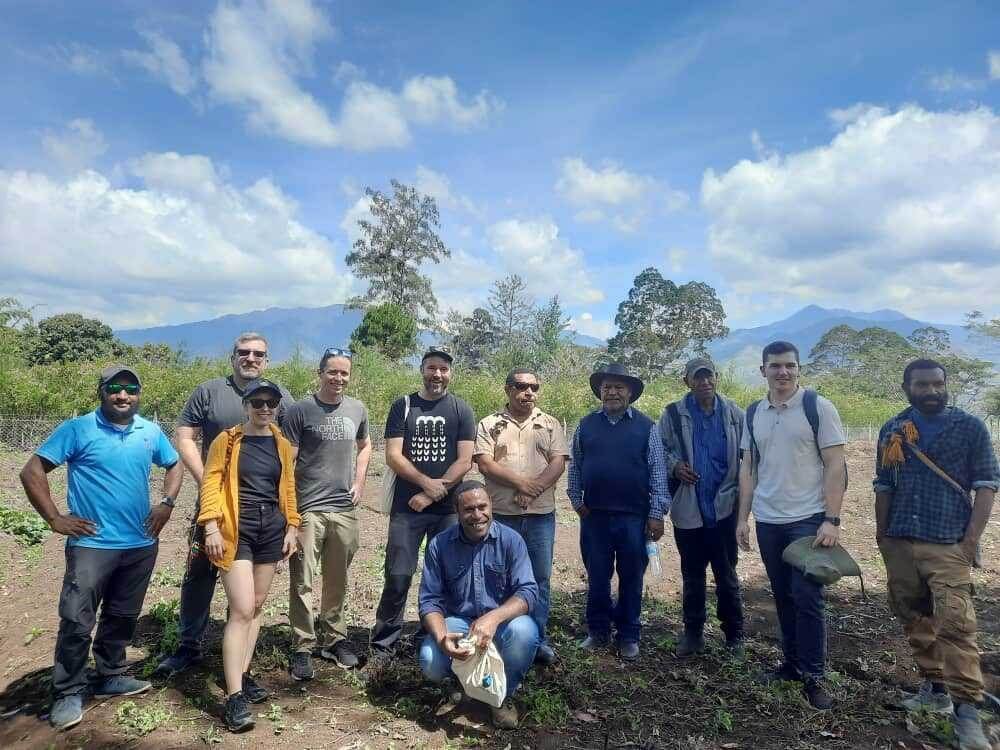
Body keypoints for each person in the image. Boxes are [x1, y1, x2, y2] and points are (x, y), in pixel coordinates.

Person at [19, 365, 183, 731]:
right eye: (115, 388)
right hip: (92, 545)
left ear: (139, 394)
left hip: (141, 543)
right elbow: (31, 471)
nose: (123, 395)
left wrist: (167, 503)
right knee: (77, 620)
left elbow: (175, 465)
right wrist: (54, 518)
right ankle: (67, 690)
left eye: (131, 389)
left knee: (122, 615)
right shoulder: (77, 429)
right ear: (102, 391)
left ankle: (110, 674)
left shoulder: (150, 432)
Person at [874, 359, 998, 750]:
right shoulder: (893, 429)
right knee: (913, 616)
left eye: (937, 384)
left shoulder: (970, 427)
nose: (931, 391)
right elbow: (884, 484)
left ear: (945, 385)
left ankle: (967, 714)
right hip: (900, 540)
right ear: (906, 388)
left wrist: (970, 542)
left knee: (956, 625)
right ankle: (935, 688)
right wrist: (882, 536)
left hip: (948, 542)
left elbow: (986, 486)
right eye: (922, 385)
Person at [154, 332, 293, 679]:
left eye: (258, 353)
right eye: (244, 352)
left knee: (250, 593)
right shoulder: (209, 391)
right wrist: (210, 481)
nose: (251, 358)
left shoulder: (280, 395)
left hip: (262, 514)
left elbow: (290, 444)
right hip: (214, 506)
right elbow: (185, 436)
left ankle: (238, 657)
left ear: (266, 360)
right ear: (233, 357)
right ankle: (189, 645)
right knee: (199, 572)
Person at [736, 341, 846, 710]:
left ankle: (814, 676)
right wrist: (743, 518)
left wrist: (832, 519)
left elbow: (835, 465)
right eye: (775, 366)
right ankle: (791, 665)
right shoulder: (754, 413)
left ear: (799, 369)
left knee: (807, 596)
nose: (782, 372)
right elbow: (748, 469)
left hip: (809, 519)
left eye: (789, 366)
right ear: (763, 371)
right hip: (769, 520)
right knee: (782, 595)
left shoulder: (818, 407)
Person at [197, 378, 300, 732]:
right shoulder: (227, 441)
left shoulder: (281, 443)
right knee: (241, 609)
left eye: (271, 403)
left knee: (256, 605)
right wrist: (210, 526)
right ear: (246, 406)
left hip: (271, 529)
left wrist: (292, 526)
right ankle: (234, 697)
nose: (265, 408)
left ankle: (241, 672)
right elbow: (211, 482)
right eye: (258, 402)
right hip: (235, 529)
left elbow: (288, 487)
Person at [369, 347, 476, 665]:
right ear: (422, 370)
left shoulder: (461, 409)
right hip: (407, 508)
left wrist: (431, 493)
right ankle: (383, 644)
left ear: (450, 373)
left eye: (443, 369)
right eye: (432, 368)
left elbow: (465, 460)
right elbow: (393, 455)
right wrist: (424, 483)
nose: (437, 374)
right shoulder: (403, 406)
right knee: (398, 574)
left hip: (447, 511)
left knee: (445, 576)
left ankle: (432, 636)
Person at [567, 362, 669, 661]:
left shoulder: (647, 427)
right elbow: (576, 466)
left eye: (619, 387)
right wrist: (575, 500)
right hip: (594, 517)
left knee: (632, 577)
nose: (612, 392)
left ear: (630, 393)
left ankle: (628, 634)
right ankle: (598, 631)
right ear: (600, 391)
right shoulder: (586, 425)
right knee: (597, 577)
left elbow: (658, 472)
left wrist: (657, 513)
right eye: (607, 387)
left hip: (634, 518)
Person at [417, 481, 539, 729]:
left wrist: (493, 618)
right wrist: (442, 638)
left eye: (482, 507)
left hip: (502, 627)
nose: (477, 515)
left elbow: (528, 591)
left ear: (491, 505)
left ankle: (501, 695)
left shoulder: (511, 541)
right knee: (430, 659)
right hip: (460, 626)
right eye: (469, 509)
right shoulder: (440, 545)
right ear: (457, 511)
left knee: (525, 632)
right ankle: (460, 687)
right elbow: (429, 601)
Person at [284, 348, 372, 679]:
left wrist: (359, 482)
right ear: (320, 373)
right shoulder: (301, 410)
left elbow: (365, 446)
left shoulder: (357, 408)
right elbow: (287, 461)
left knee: (337, 578)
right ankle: (303, 645)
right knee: (302, 579)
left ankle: (334, 638)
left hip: (344, 509)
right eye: (332, 372)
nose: (338, 378)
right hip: (309, 508)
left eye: (344, 373)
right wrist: (288, 509)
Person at [474, 368, 568, 665]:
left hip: (540, 516)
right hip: (501, 515)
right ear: (508, 389)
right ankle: (499, 636)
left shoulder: (550, 424)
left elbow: (558, 463)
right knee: (498, 576)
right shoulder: (489, 423)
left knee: (539, 578)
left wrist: (533, 489)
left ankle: (537, 640)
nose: (529, 392)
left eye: (534, 387)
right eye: (521, 386)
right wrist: (522, 485)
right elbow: (485, 464)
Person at [658, 357, 745, 656]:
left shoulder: (734, 413)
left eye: (709, 376)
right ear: (687, 381)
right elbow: (659, 450)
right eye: (698, 377)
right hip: (689, 508)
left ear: (716, 378)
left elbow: (748, 455)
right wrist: (674, 466)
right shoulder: (672, 414)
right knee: (692, 575)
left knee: (727, 575)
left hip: (724, 507)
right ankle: (693, 634)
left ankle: (734, 635)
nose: (704, 382)